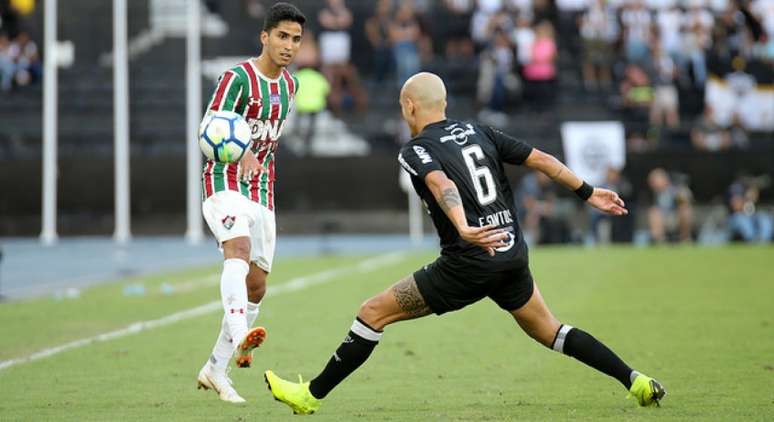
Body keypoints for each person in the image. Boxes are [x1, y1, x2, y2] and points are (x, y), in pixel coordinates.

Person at [264, 72, 666, 414]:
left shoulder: (415, 148)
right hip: (510, 254)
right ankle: (636, 381)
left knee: (372, 313)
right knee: (551, 330)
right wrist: (589, 191)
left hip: (469, 260)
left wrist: (462, 226)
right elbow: (541, 158)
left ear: (409, 106)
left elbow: (441, 183)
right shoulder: (481, 131)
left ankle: (309, 397)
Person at [196, 2, 305, 403]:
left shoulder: (290, 86)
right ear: (265, 36)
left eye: (295, 39)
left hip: (262, 190)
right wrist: (238, 151)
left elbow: (269, 142)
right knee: (237, 253)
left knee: (256, 286)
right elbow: (209, 128)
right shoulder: (237, 78)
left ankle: (215, 369)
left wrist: (255, 159)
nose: (288, 45)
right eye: (281, 36)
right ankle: (241, 332)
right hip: (223, 180)